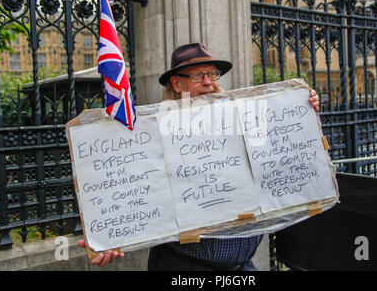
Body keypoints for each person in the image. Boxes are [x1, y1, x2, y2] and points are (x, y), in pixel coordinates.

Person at [78, 43, 320, 269]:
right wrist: (111, 238)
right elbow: (130, 192)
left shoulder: (241, 119)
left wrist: (302, 105)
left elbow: (282, 147)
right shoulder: (153, 134)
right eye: (197, 76)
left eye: (212, 74)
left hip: (243, 266)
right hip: (184, 266)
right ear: (176, 84)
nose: (208, 82)